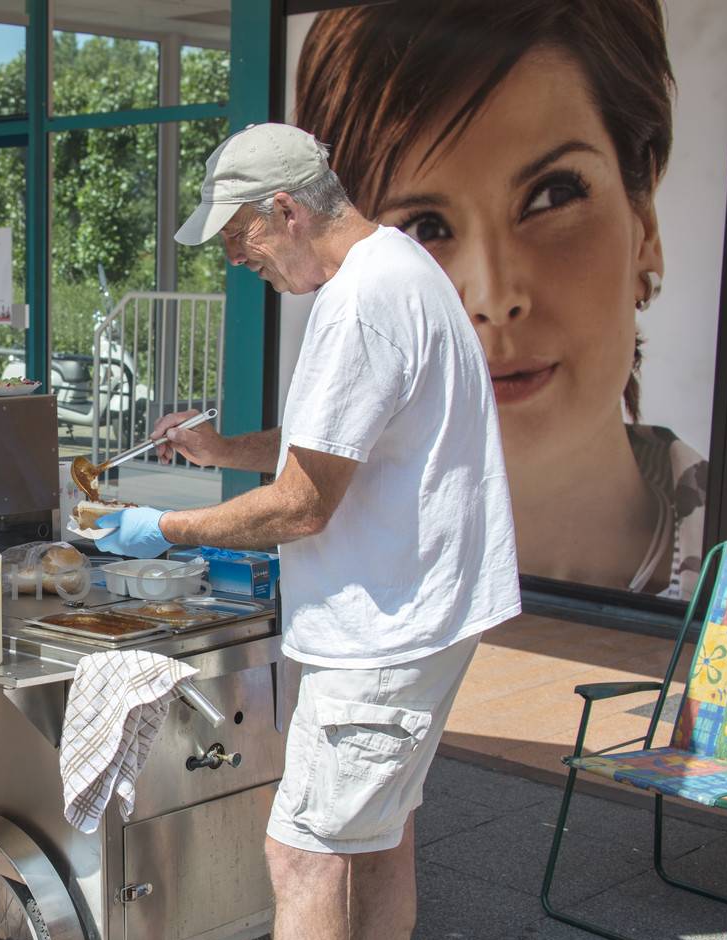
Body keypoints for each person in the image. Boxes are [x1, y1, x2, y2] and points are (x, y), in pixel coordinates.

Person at [96, 124, 521, 940]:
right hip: (419, 612)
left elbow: (301, 505)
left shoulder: (358, 299)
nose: (236, 257)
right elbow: (332, 452)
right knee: (378, 837)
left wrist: (163, 524)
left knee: (303, 853)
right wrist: (220, 450)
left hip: (386, 627)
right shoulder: (400, 266)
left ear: (286, 209)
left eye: (239, 236)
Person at [292, 0, 703, 597]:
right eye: (423, 228)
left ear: (645, 225)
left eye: (552, 194)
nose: (493, 296)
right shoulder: (338, 564)